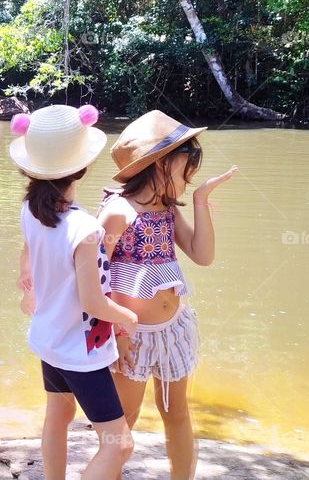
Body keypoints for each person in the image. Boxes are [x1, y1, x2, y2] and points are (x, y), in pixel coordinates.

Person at [96, 110, 237, 479]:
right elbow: (93, 275)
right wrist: (114, 331)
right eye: (187, 168)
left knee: (176, 412)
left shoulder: (167, 210)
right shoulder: (117, 211)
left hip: (173, 330)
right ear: (160, 163)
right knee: (124, 421)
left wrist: (202, 200)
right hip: (131, 336)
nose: (190, 178)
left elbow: (202, 255)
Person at [11, 104, 138, 480]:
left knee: (58, 416)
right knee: (120, 444)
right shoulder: (85, 228)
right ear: (82, 166)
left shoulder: (30, 210)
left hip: (49, 339)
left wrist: (27, 281)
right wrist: (128, 316)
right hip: (80, 351)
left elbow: (29, 253)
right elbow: (92, 302)